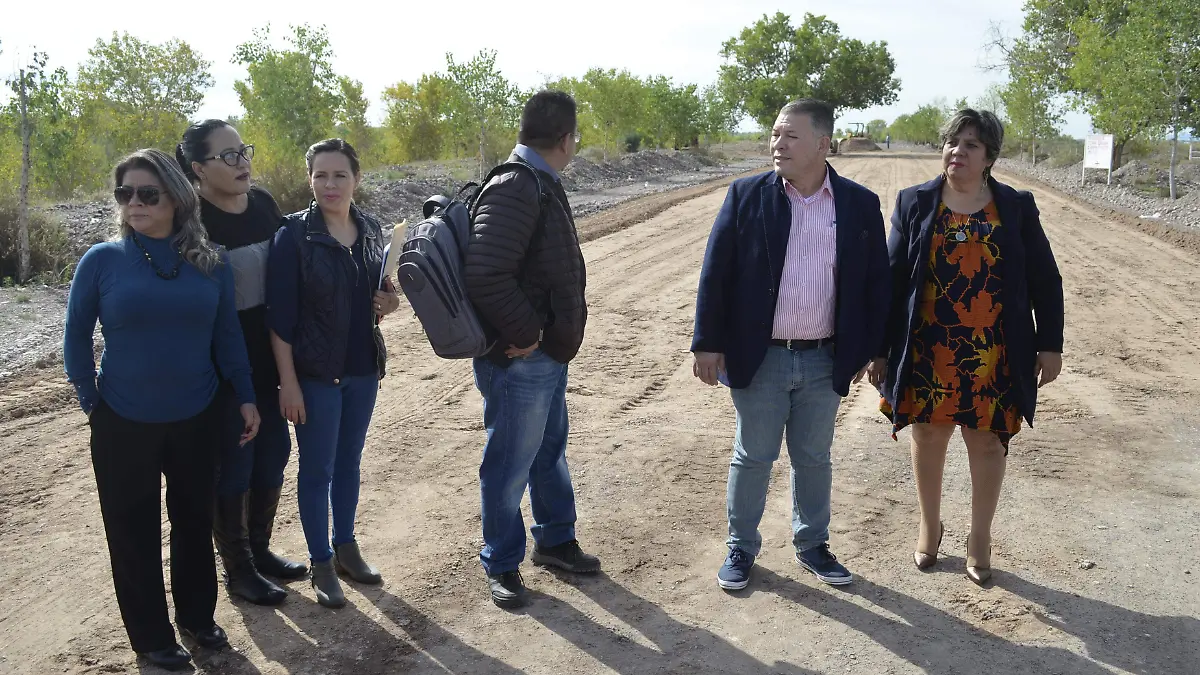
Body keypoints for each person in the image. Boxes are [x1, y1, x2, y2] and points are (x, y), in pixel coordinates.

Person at [64, 149, 260, 671]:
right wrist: (91, 401)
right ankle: (151, 636)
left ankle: (198, 619)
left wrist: (244, 396)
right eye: (124, 193)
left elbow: (228, 339)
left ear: (176, 197)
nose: (134, 203)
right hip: (122, 420)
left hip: (197, 415)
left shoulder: (210, 262)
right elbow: (76, 335)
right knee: (131, 531)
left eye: (147, 193)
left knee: (194, 522)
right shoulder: (102, 260)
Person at [691, 99, 890, 592]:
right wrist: (707, 343)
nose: (777, 144)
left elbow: (876, 286)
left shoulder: (860, 205)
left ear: (823, 144)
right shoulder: (746, 196)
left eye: (790, 136)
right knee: (753, 457)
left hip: (825, 357)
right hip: (762, 358)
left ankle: (813, 545)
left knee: (814, 457)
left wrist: (878, 350)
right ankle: (741, 547)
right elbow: (715, 275)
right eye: (775, 134)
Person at [871, 109, 1064, 585]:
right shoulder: (915, 202)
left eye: (971, 145)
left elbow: (1045, 279)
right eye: (953, 142)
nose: (958, 151)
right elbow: (891, 281)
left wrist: (1050, 344)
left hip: (994, 350)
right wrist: (879, 349)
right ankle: (929, 525)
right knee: (929, 436)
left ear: (990, 157)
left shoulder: (1016, 207)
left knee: (987, 442)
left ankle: (980, 537)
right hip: (928, 345)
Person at [464, 90, 597, 609]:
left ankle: (555, 540)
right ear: (566, 138)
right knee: (508, 463)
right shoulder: (518, 186)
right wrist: (529, 334)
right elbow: (485, 272)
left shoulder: (537, 180)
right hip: (523, 358)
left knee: (547, 451)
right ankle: (501, 562)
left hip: (545, 356)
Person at [177, 120, 307, 607]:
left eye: (243, 151)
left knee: (274, 454)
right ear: (197, 168)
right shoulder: (189, 222)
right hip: (224, 364)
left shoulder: (265, 204)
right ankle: (238, 571)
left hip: (275, 352)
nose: (242, 162)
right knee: (236, 464)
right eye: (227, 156)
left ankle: (258, 550)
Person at [266, 138, 400, 609]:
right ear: (309, 180)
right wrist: (289, 382)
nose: (330, 184)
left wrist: (389, 301)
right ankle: (321, 561)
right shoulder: (293, 237)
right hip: (316, 376)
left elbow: (382, 294)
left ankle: (346, 547)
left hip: (363, 369)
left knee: (349, 463)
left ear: (356, 179)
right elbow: (279, 321)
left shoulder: (370, 229)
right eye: (320, 175)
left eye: (339, 174)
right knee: (317, 469)